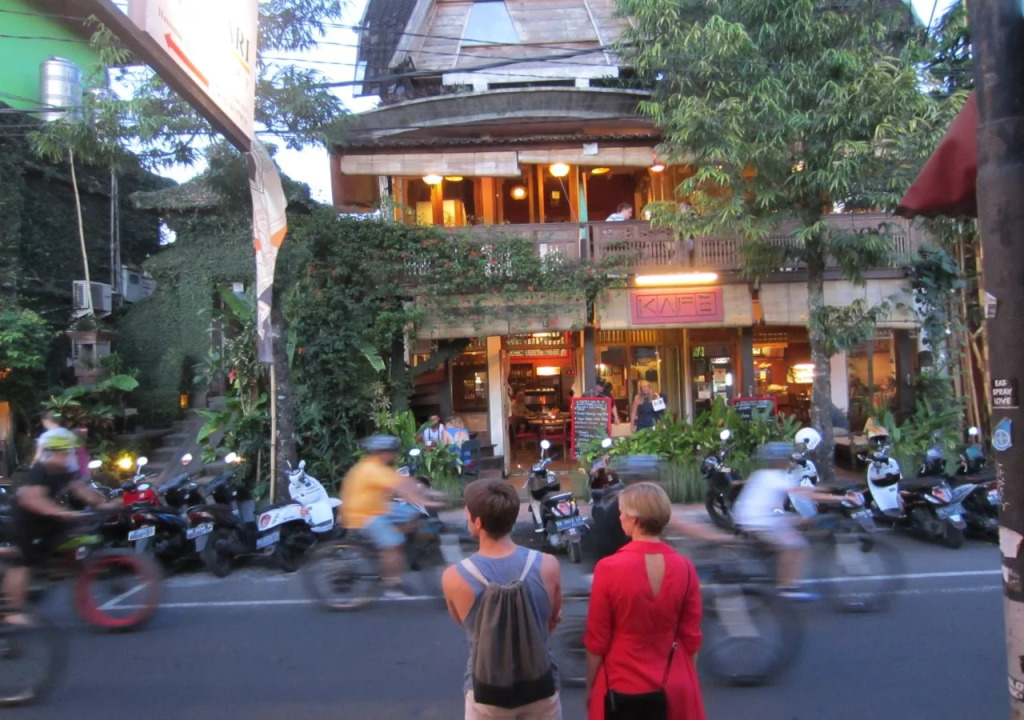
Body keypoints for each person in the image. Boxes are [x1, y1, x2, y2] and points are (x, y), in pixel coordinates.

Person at [442, 479, 563, 719]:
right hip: (540, 685)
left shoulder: (453, 577)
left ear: (478, 522)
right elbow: (553, 618)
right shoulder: (548, 565)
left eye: (467, 511)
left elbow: (464, 623)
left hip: (486, 691)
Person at [584, 482, 706, 720]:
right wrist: (688, 679)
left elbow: (597, 641)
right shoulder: (685, 568)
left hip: (621, 682)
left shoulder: (608, 568)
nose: (619, 517)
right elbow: (691, 637)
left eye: (622, 512)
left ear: (634, 518)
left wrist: (591, 685)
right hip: (674, 682)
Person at [3, 428, 115, 624]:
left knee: (70, 537)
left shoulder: (66, 472)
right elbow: (32, 499)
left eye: (70, 452)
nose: (69, 456)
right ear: (56, 452)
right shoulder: (40, 470)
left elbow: (82, 490)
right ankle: (13, 612)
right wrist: (61, 512)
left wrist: (107, 504)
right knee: (23, 562)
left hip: (46, 521)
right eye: (66, 452)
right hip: (27, 521)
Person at [731, 441, 853, 599]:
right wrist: (842, 498)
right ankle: (787, 587)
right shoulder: (778, 477)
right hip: (760, 521)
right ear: (781, 461)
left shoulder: (762, 474)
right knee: (797, 545)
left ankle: (776, 567)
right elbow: (808, 494)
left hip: (750, 518)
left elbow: (803, 489)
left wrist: (824, 489)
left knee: (798, 521)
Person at [339, 435, 443, 598]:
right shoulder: (372, 469)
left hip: (377, 507)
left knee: (412, 513)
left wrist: (432, 493)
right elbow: (402, 491)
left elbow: (405, 483)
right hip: (363, 514)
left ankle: (391, 550)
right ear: (382, 452)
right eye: (391, 452)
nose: (394, 455)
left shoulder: (380, 467)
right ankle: (392, 584)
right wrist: (426, 502)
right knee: (393, 543)